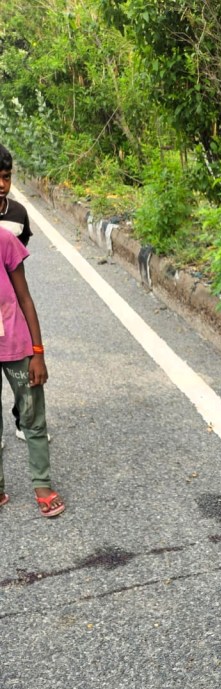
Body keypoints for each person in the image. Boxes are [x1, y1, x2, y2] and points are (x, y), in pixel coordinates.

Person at [0, 225, 64, 517]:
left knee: (32, 416)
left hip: (16, 344)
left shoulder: (4, 240)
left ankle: (42, 484)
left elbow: (24, 297)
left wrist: (38, 352)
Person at [0, 142, 42, 445]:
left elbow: (19, 259)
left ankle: (22, 417)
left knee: (20, 365)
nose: (2, 185)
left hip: (11, 301)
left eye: (6, 177)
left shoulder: (18, 214)